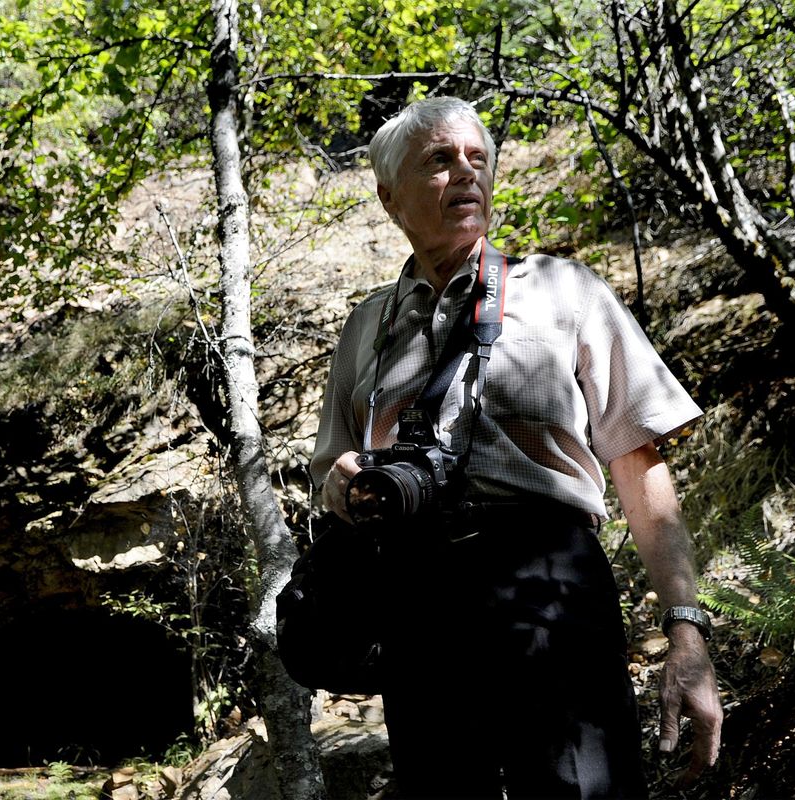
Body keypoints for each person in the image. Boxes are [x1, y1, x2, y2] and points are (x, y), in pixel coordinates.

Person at [310, 96, 723, 799]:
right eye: (439, 160)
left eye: (478, 160)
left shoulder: (565, 292)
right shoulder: (366, 327)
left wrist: (685, 627)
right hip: (415, 598)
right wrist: (346, 482)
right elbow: (328, 469)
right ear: (388, 196)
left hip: (550, 584)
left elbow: (638, 463)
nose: (466, 175)